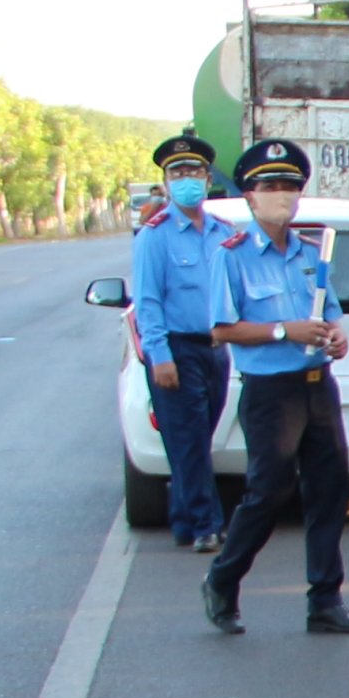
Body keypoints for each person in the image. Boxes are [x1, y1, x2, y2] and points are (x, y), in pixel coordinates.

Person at [201, 139, 349, 638]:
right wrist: (284, 330)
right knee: (269, 492)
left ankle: (325, 599)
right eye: (270, 186)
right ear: (250, 197)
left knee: (329, 490)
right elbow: (221, 329)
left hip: (318, 385)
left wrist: (336, 336)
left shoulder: (310, 252)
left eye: (290, 186)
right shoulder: (231, 254)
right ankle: (223, 580)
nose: (282, 195)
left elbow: (330, 311)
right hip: (270, 391)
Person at [125, 131, 235, 551]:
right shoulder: (155, 234)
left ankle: (184, 520)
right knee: (187, 439)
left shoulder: (223, 231)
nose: (185, 178)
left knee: (195, 439)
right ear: (166, 182)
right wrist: (160, 356)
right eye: (177, 172)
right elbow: (148, 301)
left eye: (193, 171)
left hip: (216, 349)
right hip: (177, 348)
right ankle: (208, 524)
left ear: (208, 179)